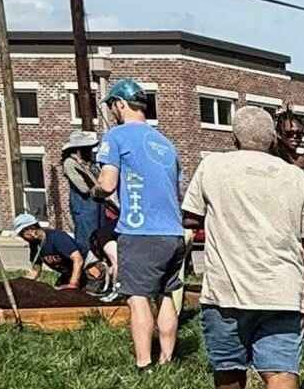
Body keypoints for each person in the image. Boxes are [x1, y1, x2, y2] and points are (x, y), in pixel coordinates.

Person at [181, 107, 304, 389]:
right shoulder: (297, 179)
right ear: (274, 139)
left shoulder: (213, 167)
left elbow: (189, 218)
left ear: (233, 138)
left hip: (226, 291)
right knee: (281, 371)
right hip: (282, 291)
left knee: (228, 365)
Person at [90, 78, 184, 370]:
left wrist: (94, 191)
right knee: (167, 294)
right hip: (174, 232)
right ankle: (167, 360)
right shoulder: (166, 144)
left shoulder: (116, 136)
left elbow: (107, 184)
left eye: (113, 106)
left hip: (140, 231)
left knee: (137, 297)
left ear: (119, 104)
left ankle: (144, 364)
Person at [59, 131, 107, 262]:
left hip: (98, 206)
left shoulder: (90, 164)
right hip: (84, 207)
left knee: (101, 238)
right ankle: (88, 270)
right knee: (86, 241)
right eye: (87, 148)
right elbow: (83, 188)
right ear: (79, 149)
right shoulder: (70, 163)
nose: (90, 151)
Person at [13, 213, 83, 289]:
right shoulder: (35, 245)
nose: (22, 238)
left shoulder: (56, 237)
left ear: (31, 229)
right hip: (69, 273)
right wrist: (20, 284)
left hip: (87, 270)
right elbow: (35, 271)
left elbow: (78, 259)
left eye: (22, 234)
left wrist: (73, 284)